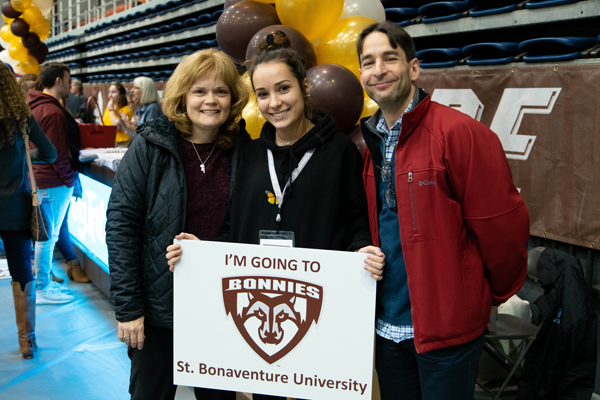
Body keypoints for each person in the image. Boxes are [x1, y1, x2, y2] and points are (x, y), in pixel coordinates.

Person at [166, 32, 386, 400]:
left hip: (320, 314)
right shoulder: (250, 154)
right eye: (263, 94)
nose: (274, 103)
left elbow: (355, 221)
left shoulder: (340, 153)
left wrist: (364, 250)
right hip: (265, 313)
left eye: (283, 89)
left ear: (304, 87)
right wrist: (202, 251)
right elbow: (235, 227)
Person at [356, 21, 530, 399]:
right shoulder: (369, 143)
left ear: (414, 68)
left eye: (390, 58)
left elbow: (502, 228)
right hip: (388, 327)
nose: (379, 69)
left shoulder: (460, 133)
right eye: (368, 62)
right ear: (361, 75)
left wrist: (479, 298)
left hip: (447, 331)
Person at [105, 49, 248, 400]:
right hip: (157, 312)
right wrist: (128, 309)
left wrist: (211, 249)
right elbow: (121, 226)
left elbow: (249, 225)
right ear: (182, 97)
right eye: (199, 91)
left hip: (221, 308)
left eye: (220, 91)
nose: (210, 100)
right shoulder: (150, 146)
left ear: (233, 98)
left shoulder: (244, 149)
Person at [0, 62, 57, 358]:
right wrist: (25, 153)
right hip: (16, 208)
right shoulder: (21, 118)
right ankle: (27, 340)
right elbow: (50, 153)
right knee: (22, 271)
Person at [28, 62, 82, 305]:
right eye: (68, 79)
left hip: (39, 179)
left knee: (44, 236)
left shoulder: (34, 106)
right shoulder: (52, 112)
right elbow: (58, 154)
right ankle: (43, 288)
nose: (70, 85)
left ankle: (42, 283)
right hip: (53, 181)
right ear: (58, 80)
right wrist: (70, 179)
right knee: (48, 237)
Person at [103, 81, 134, 147]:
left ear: (121, 94)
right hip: (109, 141)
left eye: (113, 92)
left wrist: (111, 110)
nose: (110, 95)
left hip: (123, 143)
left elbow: (116, 126)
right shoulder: (109, 107)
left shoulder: (126, 109)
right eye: (109, 92)